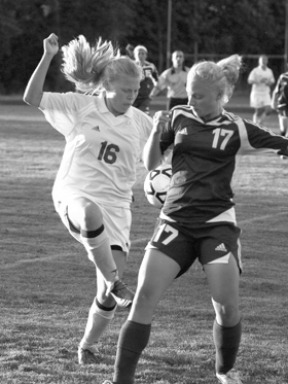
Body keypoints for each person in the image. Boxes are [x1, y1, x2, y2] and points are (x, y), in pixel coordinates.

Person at [103, 54, 288, 384]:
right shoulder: (178, 116)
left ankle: (224, 371)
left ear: (220, 96)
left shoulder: (236, 127)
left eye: (199, 95)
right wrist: (157, 131)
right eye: (189, 93)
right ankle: (120, 382)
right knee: (144, 298)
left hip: (217, 225)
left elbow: (279, 144)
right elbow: (151, 162)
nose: (191, 100)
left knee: (225, 307)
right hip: (174, 222)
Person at [23, 33, 153, 365]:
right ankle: (116, 283)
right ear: (107, 86)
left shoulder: (141, 123)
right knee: (90, 213)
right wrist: (47, 56)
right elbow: (31, 96)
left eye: (136, 91)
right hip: (73, 195)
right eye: (126, 90)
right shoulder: (81, 106)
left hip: (118, 208)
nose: (131, 96)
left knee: (105, 298)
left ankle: (88, 346)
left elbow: (160, 158)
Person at [247, 54, 275, 125]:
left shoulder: (269, 71)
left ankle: (259, 123)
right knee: (258, 111)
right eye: (262, 60)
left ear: (267, 61)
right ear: (259, 61)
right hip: (257, 93)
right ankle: (255, 124)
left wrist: (268, 82)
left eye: (265, 60)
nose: (263, 61)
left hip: (266, 93)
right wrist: (258, 81)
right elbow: (249, 80)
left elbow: (272, 81)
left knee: (269, 110)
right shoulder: (255, 70)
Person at [132, 45, 158, 114]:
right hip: (132, 94)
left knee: (142, 114)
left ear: (146, 55)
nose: (140, 55)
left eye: (143, 53)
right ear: (135, 55)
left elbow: (157, 80)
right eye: (139, 53)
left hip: (145, 96)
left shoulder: (150, 66)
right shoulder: (131, 65)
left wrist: (154, 91)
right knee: (132, 114)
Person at [271, 67, 288, 137]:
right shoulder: (283, 77)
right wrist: (273, 101)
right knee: (283, 130)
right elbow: (276, 90)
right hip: (283, 104)